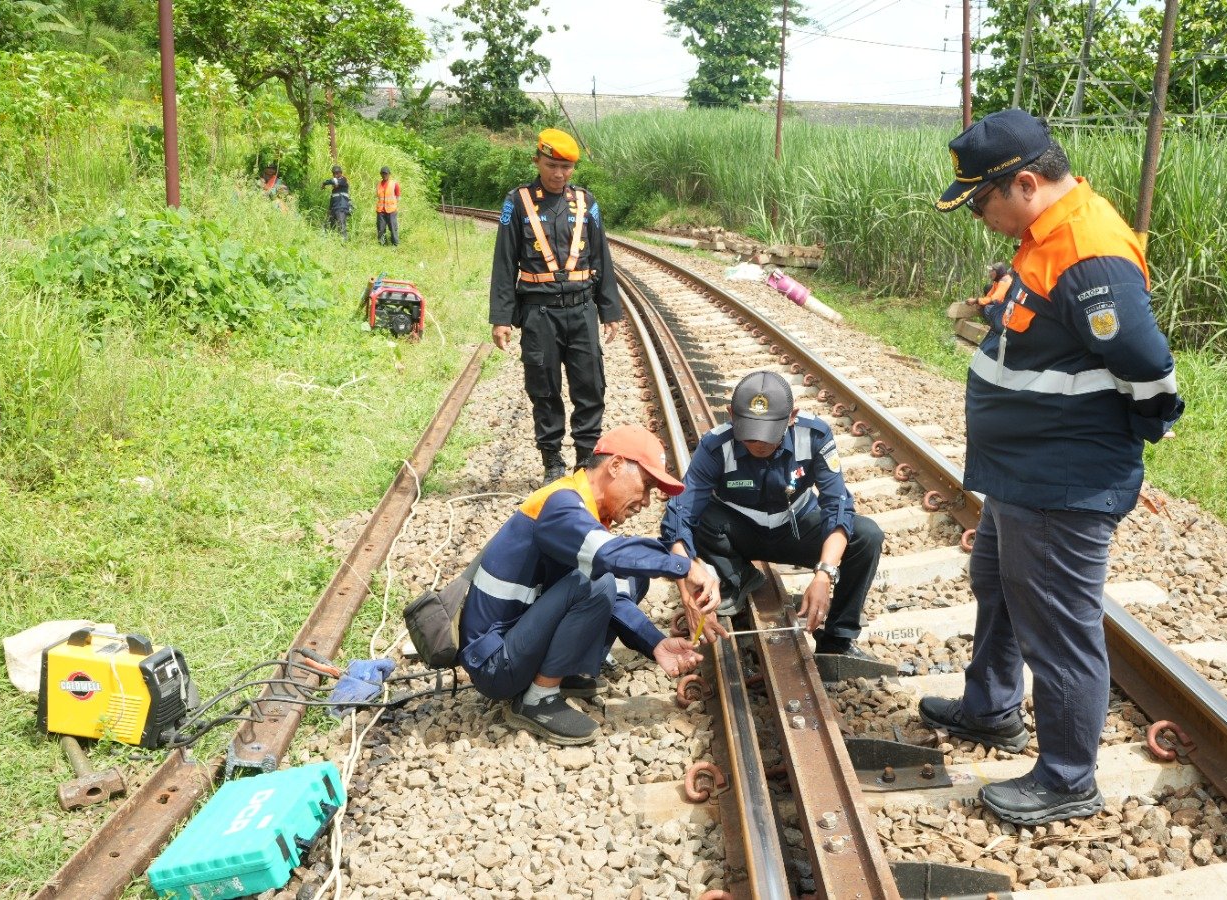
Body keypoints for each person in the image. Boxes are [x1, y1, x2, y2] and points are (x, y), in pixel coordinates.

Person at [919, 108, 1185, 826]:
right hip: (1023, 467)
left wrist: (1136, 436)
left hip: (1060, 475)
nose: (979, 216)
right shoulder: (1047, 237)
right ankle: (991, 709)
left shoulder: (1088, 250)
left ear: (1026, 183)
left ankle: (1068, 778)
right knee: (997, 587)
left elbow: (1146, 366)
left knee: (1059, 628)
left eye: (982, 202)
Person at [457, 425, 726, 746]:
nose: (645, 501)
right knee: (601, 575)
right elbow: (606, 558)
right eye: (646, 486)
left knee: (628, 571)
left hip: (517, 640)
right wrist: (683, 567)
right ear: (614, 466)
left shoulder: (581, 506)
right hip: (495, 664)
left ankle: (565, 672)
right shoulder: (559, 504)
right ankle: (537, 700)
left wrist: (654, 643)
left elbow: (614, 571)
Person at [660, 371, 884, 660]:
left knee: (866, 536)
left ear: (792, 417)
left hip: (796, 529)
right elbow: (679, 516)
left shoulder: (814, 435)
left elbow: (837, 505)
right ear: (731, 415)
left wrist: (824, 575)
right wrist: (687, 588)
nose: (759, 444)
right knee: (696, 520)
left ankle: (838, 640)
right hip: (737, 535)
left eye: (769, 434)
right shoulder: (716, 445)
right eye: (750, 434)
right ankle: (736, 577)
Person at [489, 128, 623, 485]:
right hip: (539, 314)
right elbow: (504, 263)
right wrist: (501, 318)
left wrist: (609, 310)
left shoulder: (586, 202)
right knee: (543, 387)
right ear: (537, 161)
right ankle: (552, 462)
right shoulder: (517, 202)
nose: (558, 174)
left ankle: (585, 460)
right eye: (551, 165)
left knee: (589, 386)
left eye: (566, 167)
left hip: (581, 311)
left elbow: (602, 258)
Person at [322, 165, 351, 239]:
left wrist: (324, 183)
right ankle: (330, 241)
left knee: (341, 226)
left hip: (341, 207)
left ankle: (344, 243)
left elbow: (333, 181)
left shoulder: (343, 180)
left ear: (341, 173)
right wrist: (330, 209)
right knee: (329, 225)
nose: (335, 175)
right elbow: (333, 198)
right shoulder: (334, 188)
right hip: (334, 208)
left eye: (337, 173)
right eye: (334, 173)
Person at [375, 166, 399, 245]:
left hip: (391, 210)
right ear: (380, 174)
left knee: (393, 228)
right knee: (381, 228)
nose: (384, 175)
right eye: (382, 173)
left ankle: (395, 244)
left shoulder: (394, 184)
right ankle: (383, 244)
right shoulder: (378, 184)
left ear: (389, 174)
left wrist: (393, 205)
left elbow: (397, 195)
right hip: (381, 210)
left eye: (386, 173)